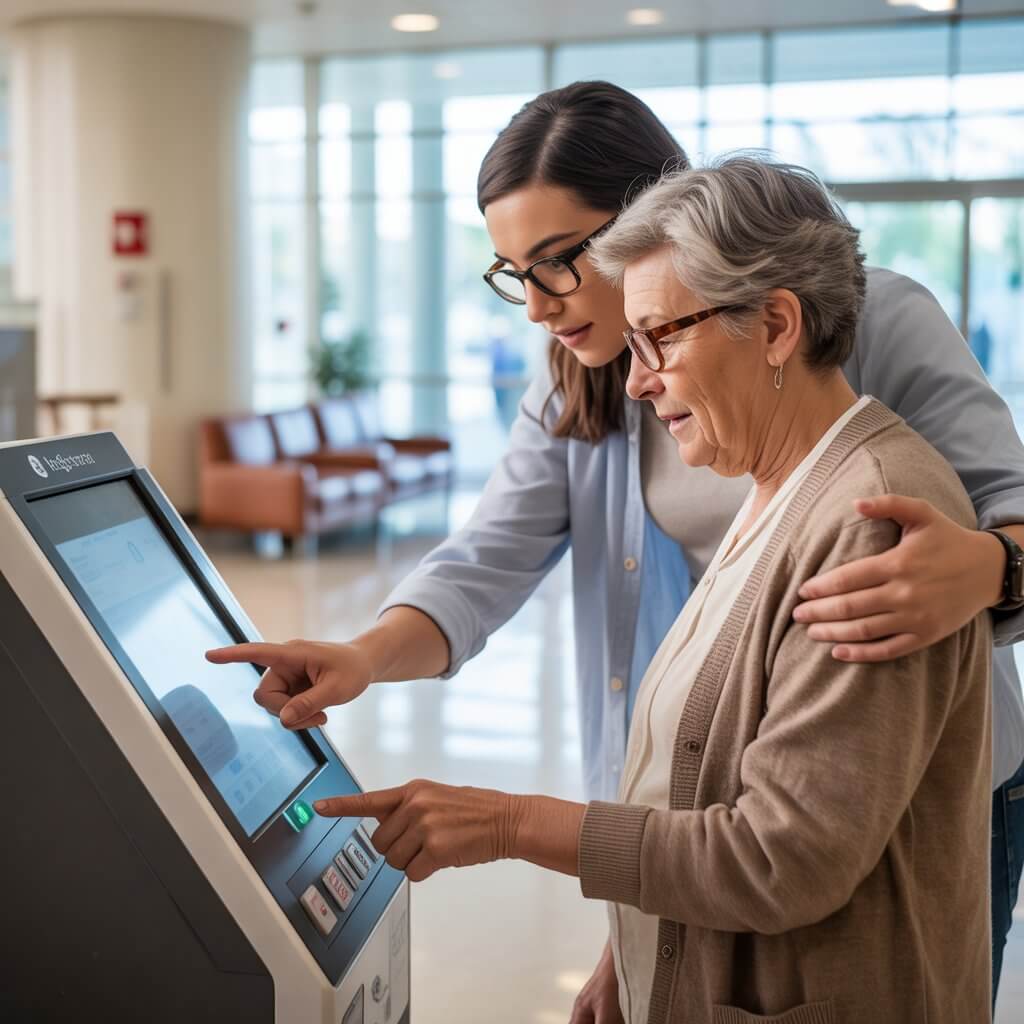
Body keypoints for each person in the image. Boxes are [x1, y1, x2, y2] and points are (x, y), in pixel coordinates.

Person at [207, 82, 1024, 1014]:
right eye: (513, 272)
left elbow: (787, 858)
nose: (537, 305)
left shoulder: (862, 349)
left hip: (900, 765)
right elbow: (486, 559)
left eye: (556, 261)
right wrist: (362, 656)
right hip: (714, 797)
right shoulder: (590, 381)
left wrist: (994, 566)